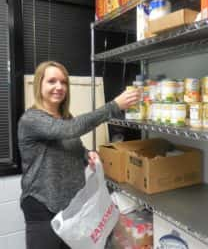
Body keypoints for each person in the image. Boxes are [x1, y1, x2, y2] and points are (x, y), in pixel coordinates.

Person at [18, 61, 140, 249]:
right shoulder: (31, 119)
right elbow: (69, 130)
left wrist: (87, 154)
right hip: (43, 206)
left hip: (70, 205)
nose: (59, 87)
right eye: (52, 81)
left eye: (63, 82)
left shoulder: (65, 117)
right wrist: (114, 106)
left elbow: (73, 144)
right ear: (39, 85)